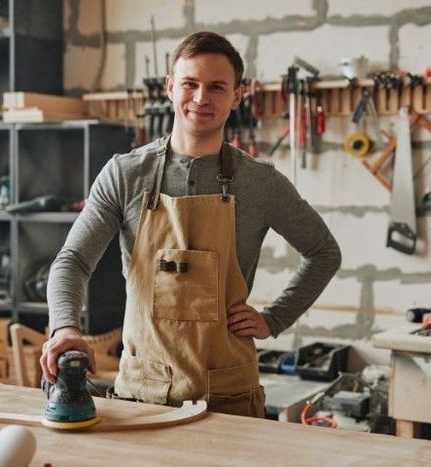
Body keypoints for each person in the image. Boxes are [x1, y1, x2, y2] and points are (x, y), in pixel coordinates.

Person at [41, 31, 341, 418]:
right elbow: (73, 260)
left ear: (237, 96)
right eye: (190, 84)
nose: (201, 98)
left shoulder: (261, 182)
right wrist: (65, 327)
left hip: (229, 396)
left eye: (217, 87)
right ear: (170, 88)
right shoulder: (125, 174)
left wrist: (274, 319)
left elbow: (324, 253)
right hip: (142, 395)